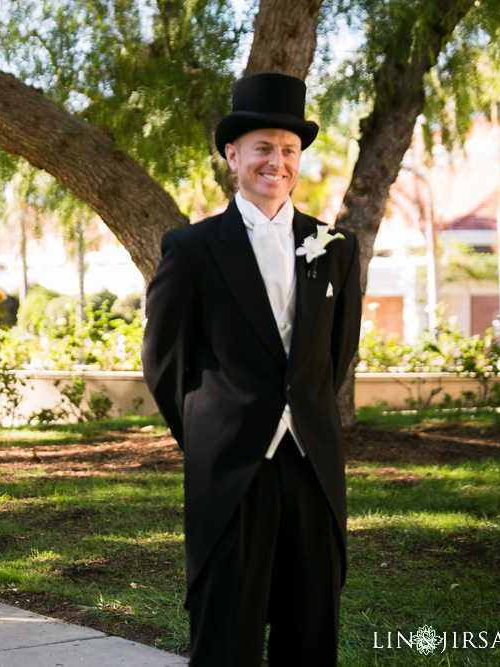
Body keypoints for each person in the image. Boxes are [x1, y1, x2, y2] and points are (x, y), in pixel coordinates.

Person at [141, 72, 362, 666]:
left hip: (314, 468)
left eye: (289, 150)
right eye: (264, 147)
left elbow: (336, 357)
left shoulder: (335, 246)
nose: (278, 161)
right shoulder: (189, 249)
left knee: (310, 631)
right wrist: (212, 438)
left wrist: (304, 414)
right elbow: (164, 364)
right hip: (233, 471)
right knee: (227, 636)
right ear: (233, 154)